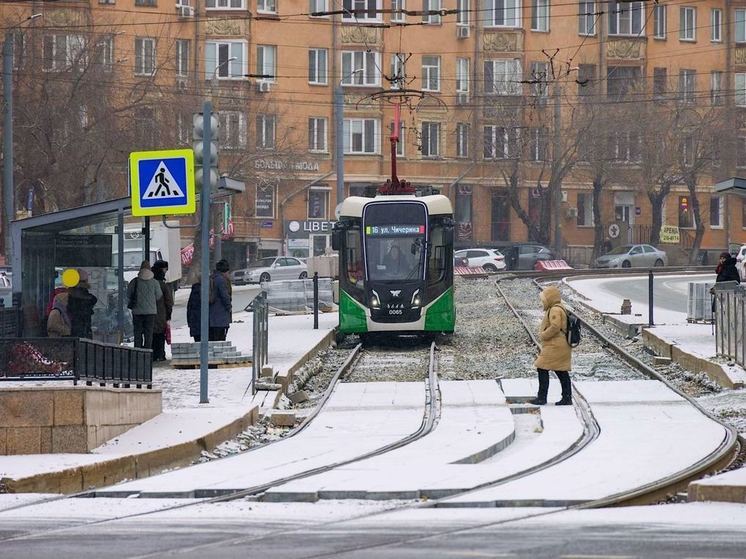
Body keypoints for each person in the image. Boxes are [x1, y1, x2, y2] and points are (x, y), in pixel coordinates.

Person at [531, 285, 573, 406]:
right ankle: (566, 397)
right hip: (559, 345)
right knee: (561, 371)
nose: (543, 301)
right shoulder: (559, 308)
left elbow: (555, 326)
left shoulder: (555, 309)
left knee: (542, 367)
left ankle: (542, 398)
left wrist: (544, 335)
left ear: (550, 298)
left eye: (544, 299)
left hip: (555, 345)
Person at [127, 260, 163, 349]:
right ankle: (147, 352)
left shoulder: (134, 282)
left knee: (137, 333)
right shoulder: (154, 282)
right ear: (150, 269)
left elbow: (128, 294)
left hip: (137, 312)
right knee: (148, 333)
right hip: (150, 312)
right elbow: (159, 296)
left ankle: (138, 352)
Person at [151, 260, 174, 361]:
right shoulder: (162, 284)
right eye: (165, 269)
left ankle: (152, 354)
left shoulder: (149, 281)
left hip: (149, 314)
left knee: (150, 335)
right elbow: (169, 301)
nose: (166, 271)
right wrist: (169, 314)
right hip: (160, 313)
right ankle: (160, 354)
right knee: (160, 335)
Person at [67, 271, 98, 339]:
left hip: (76, 327)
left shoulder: (71, 294)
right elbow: (93, 299)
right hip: (82, 327)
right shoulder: (82, 295)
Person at [209, 259, 232, 341]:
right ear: (225, 271)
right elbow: (225, 296)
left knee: (212, 340)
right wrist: (229, 307)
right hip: (220, 317)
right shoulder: (221, 280)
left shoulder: (212, 277)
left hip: (211, 318)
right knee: (220, 340)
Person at [186, 278, 202, 342]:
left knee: (197, 343)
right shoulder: (206, 292)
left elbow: (189, 308)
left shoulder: (194, 291)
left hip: (194, 323)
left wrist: (190, 323)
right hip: (204, 325)